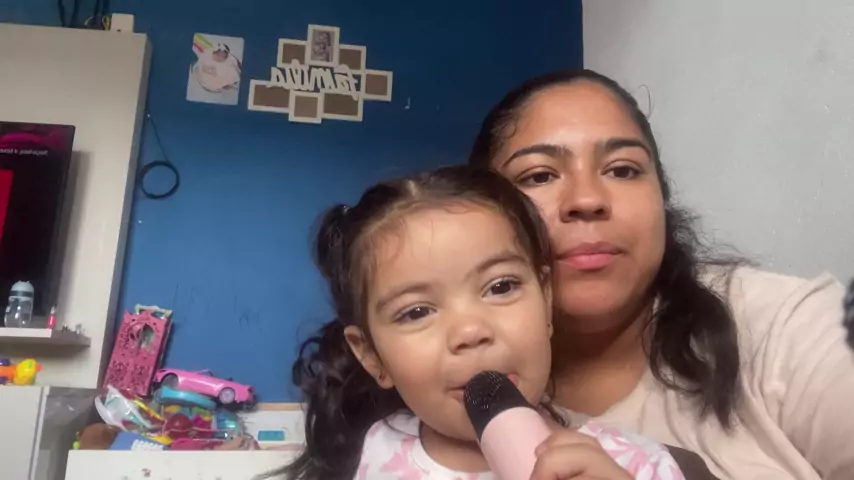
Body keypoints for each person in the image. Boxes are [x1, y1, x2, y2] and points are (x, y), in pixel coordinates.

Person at [469, 69, 854, 480]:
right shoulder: (442, 389)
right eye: (540, 175)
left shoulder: (784, 327)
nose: (587, 199)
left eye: (622, 170)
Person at [277, 166, 684, 479]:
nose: (471, 332)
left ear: (545, 300)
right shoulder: (374, 452)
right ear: (372, 357)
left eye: (501, 287)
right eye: (416, 311)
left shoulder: (637, 465)